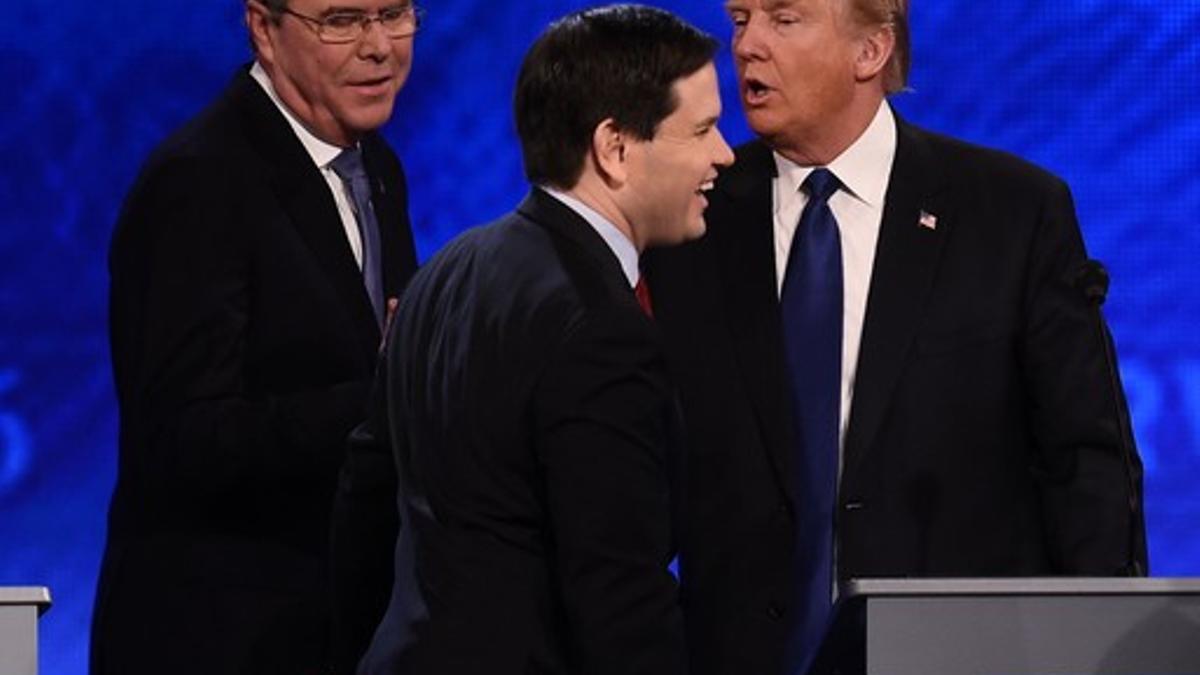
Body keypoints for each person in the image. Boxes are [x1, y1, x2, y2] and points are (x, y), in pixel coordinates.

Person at [644, 1, 1149, 673]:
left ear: (871, 51)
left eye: (783, 19)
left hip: (958, 656)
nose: (746, 46)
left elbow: (1088, 465)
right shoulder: (688, 219)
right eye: (741, 20)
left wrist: (1105, 648)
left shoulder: (1011, 213)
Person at [339, 5, 733, 673]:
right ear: (614, 148)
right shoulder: (601, 328)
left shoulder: (446, 271)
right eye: (701, 129)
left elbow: (364, 501)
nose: (724, 153)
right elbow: (619, 596)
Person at [91, 0, 419, 672]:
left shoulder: (378, 168)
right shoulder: (198, 180)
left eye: (394, 13)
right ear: (265, 29)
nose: (379, 45)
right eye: (343, 20)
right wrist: (388, 400)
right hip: (221, 638)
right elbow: (184, 438)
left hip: (339, 629)